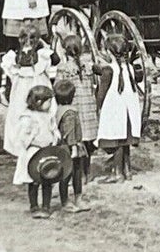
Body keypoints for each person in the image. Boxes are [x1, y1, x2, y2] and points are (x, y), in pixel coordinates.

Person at [12, 83, 65, 219]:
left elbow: (53, 129)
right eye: (49, 102)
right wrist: (32, 141)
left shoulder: (48, 115)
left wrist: (55, 138)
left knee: (48, 178)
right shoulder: (28, 118)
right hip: (34, 153)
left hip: (47, 151)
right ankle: (34, 205)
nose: (50, 105)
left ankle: (46, 206)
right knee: (34, 180)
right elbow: (22, 136)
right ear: (39, 102)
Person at [96, 31, 143, 181]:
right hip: (129, 110)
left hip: (115, 110)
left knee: (116, 141)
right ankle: (127, 171)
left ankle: (117, 173)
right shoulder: (130, 68)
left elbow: (102, 92)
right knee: (126, 141)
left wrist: (99, 106)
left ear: (109, 51)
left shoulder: (108, 70)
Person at [1, 25, 54, 155]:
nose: (28, 42)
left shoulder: (16, 56)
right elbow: (55, 59)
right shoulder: (36, 56)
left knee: (24, 113)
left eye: (32, 38)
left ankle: (29, 142)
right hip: (27, 88)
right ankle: (33, 142)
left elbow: (9, 77)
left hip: (28, 88)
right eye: (25, 38)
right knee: (24, 113)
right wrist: (43, 44)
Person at [52, 78, 89, 213]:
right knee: (73, 173)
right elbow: (69, 132)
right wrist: (73, 147)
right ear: (72, 97)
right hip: (71, 148)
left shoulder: (58, 111)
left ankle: (68, 200)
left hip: (62, 147)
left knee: (65, 174)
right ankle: (71, 200)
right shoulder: (70, 113)